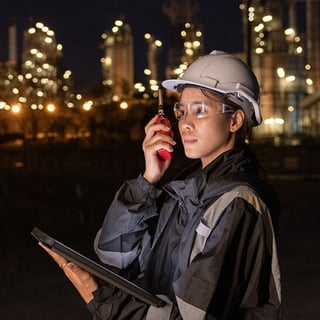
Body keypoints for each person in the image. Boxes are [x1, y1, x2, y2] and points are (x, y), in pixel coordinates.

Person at [41, 50, 281, 319]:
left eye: (200, 110)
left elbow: (193, 316)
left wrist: (103, 300)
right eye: (182, 110)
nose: (186, 123)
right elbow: (114, 256)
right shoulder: (184, 193)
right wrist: (147, 180)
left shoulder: (237, 204)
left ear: (235, 120)